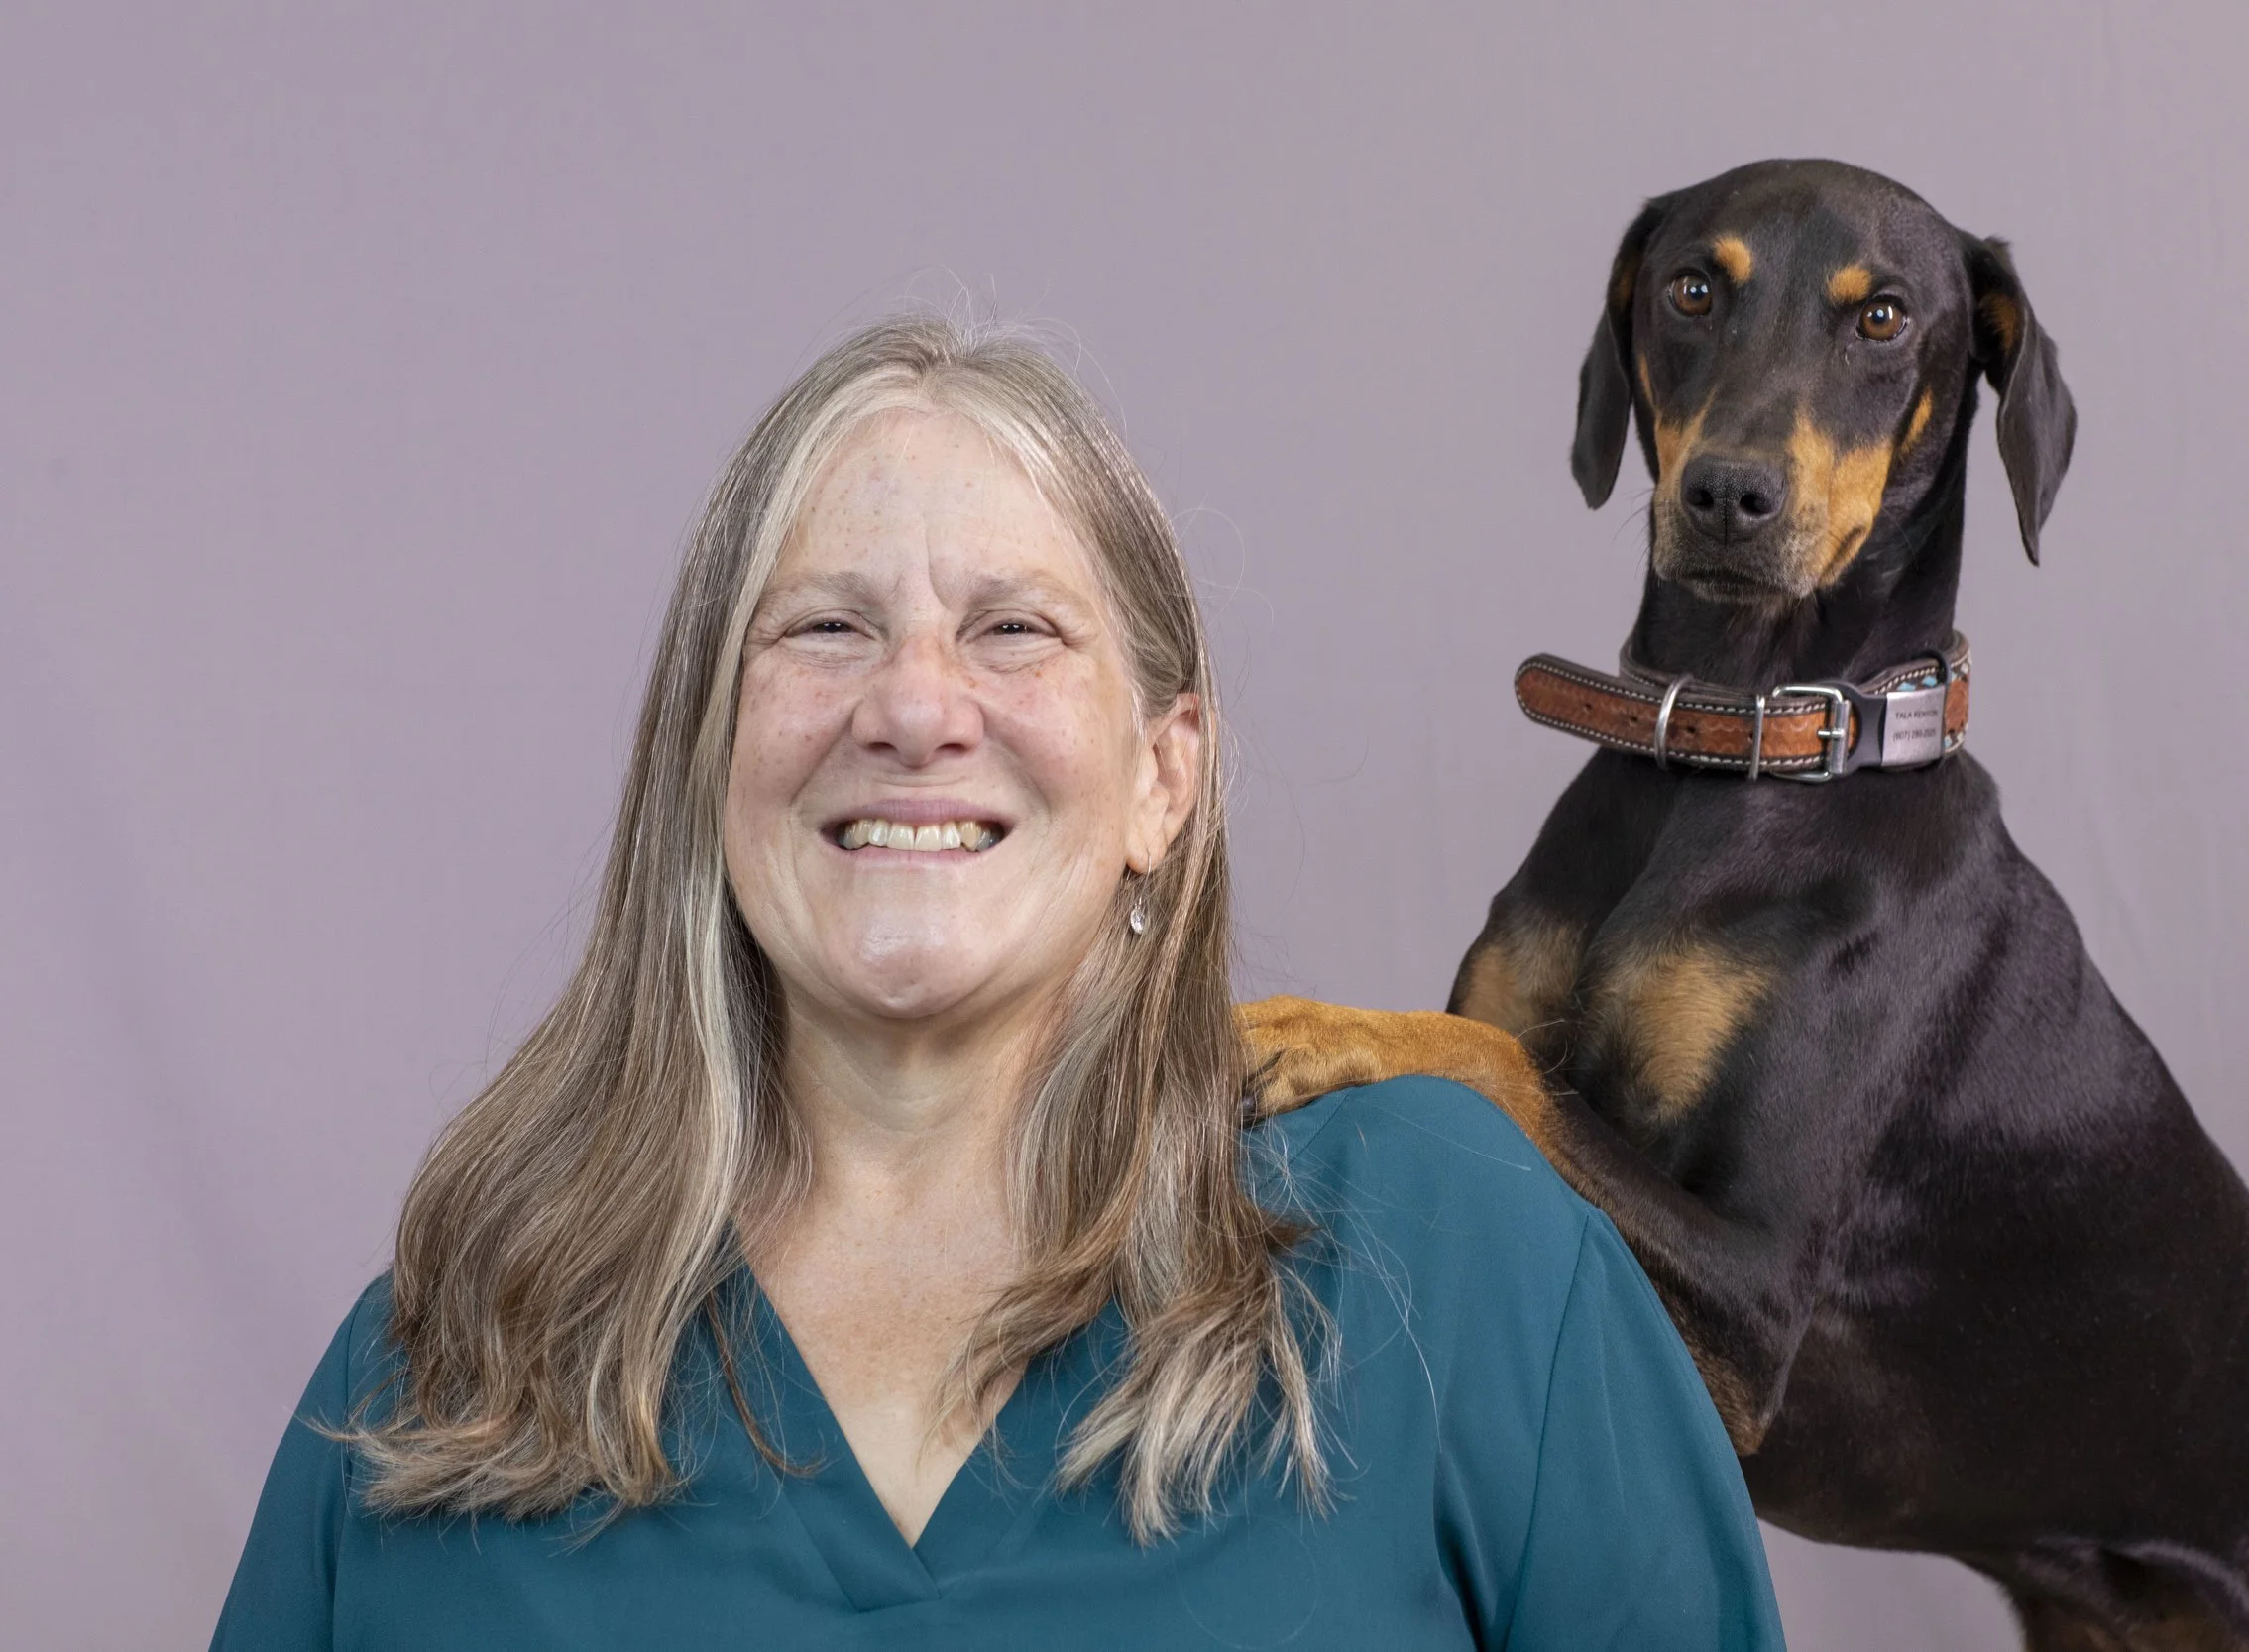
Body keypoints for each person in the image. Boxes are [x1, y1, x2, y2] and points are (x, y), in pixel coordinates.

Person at [212, 315, 1786, 1649]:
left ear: (1165, 777)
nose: (912, 704)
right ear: (707, 758)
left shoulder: (1467, 1262)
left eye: (1014, 629)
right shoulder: (448, 1364)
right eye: (825, 627)